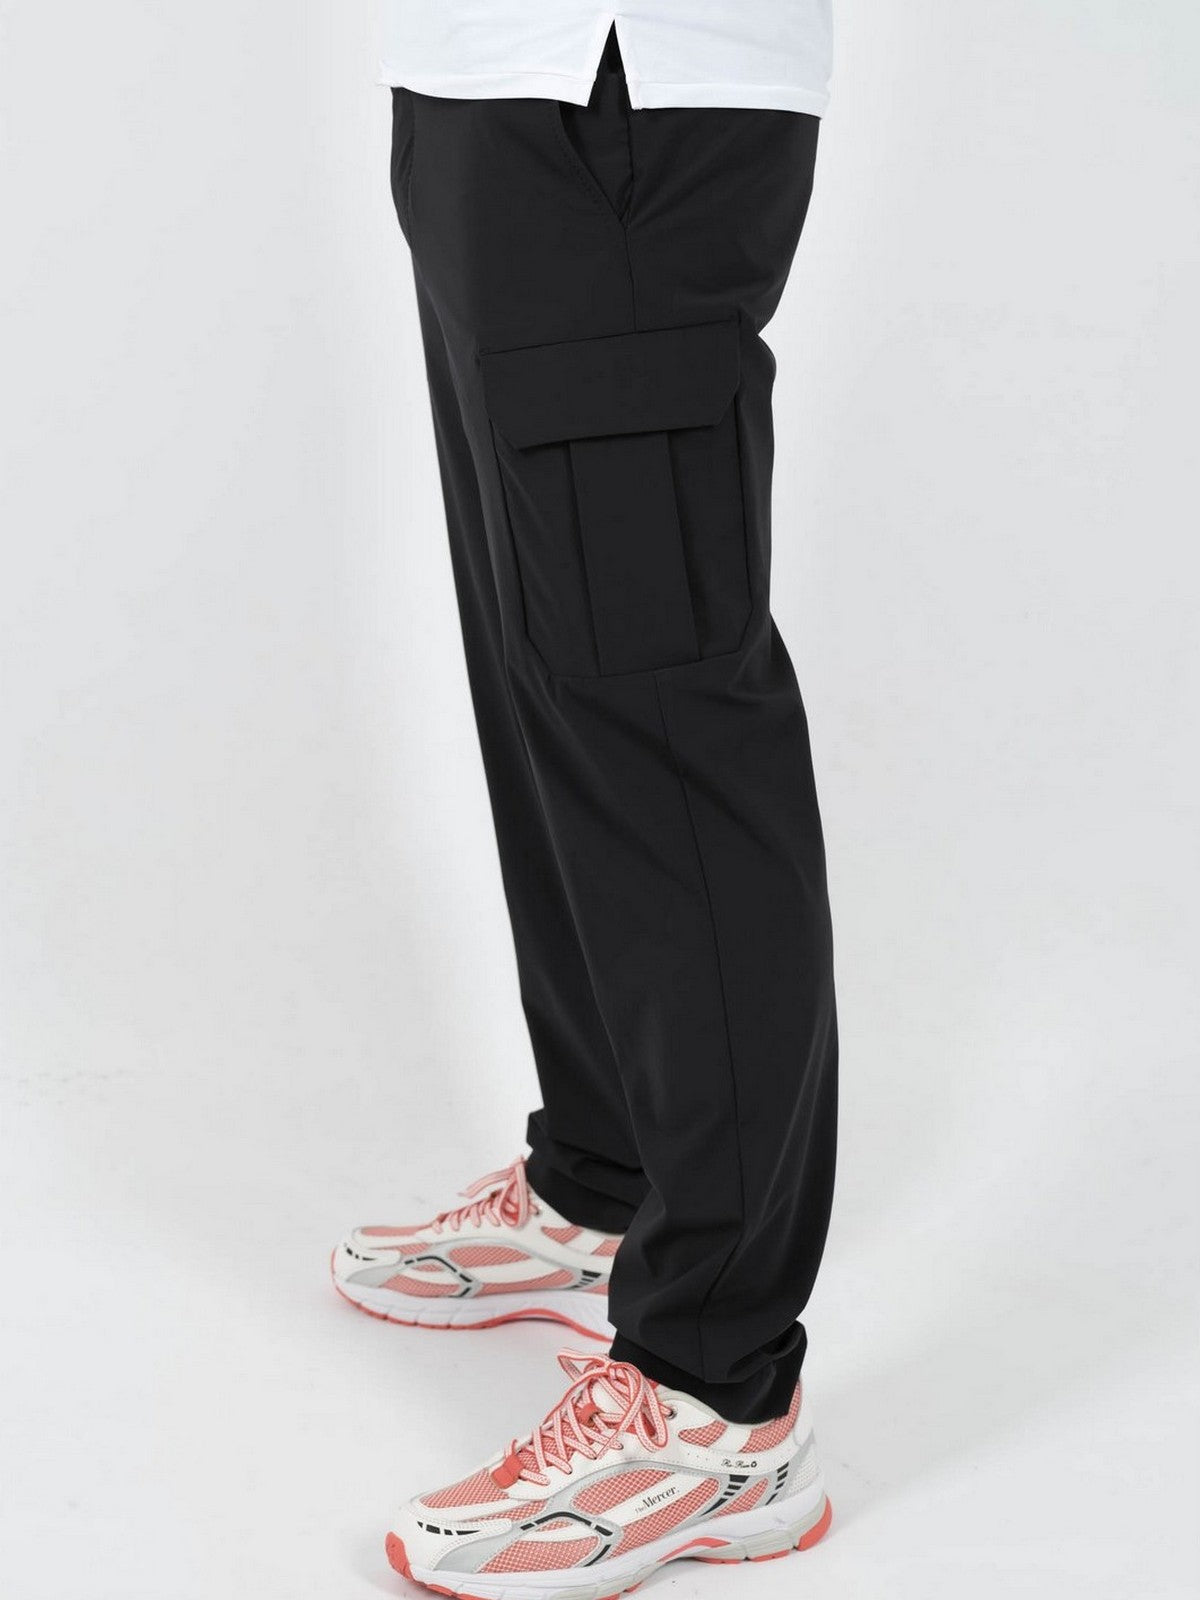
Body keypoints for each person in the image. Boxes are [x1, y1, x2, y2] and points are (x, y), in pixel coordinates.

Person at [333, 6, 839, 1593]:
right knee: (543, 668)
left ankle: (716, 1389)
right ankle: (608, 1181)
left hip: (633, 88)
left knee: (659, 710)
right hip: (483, 77)